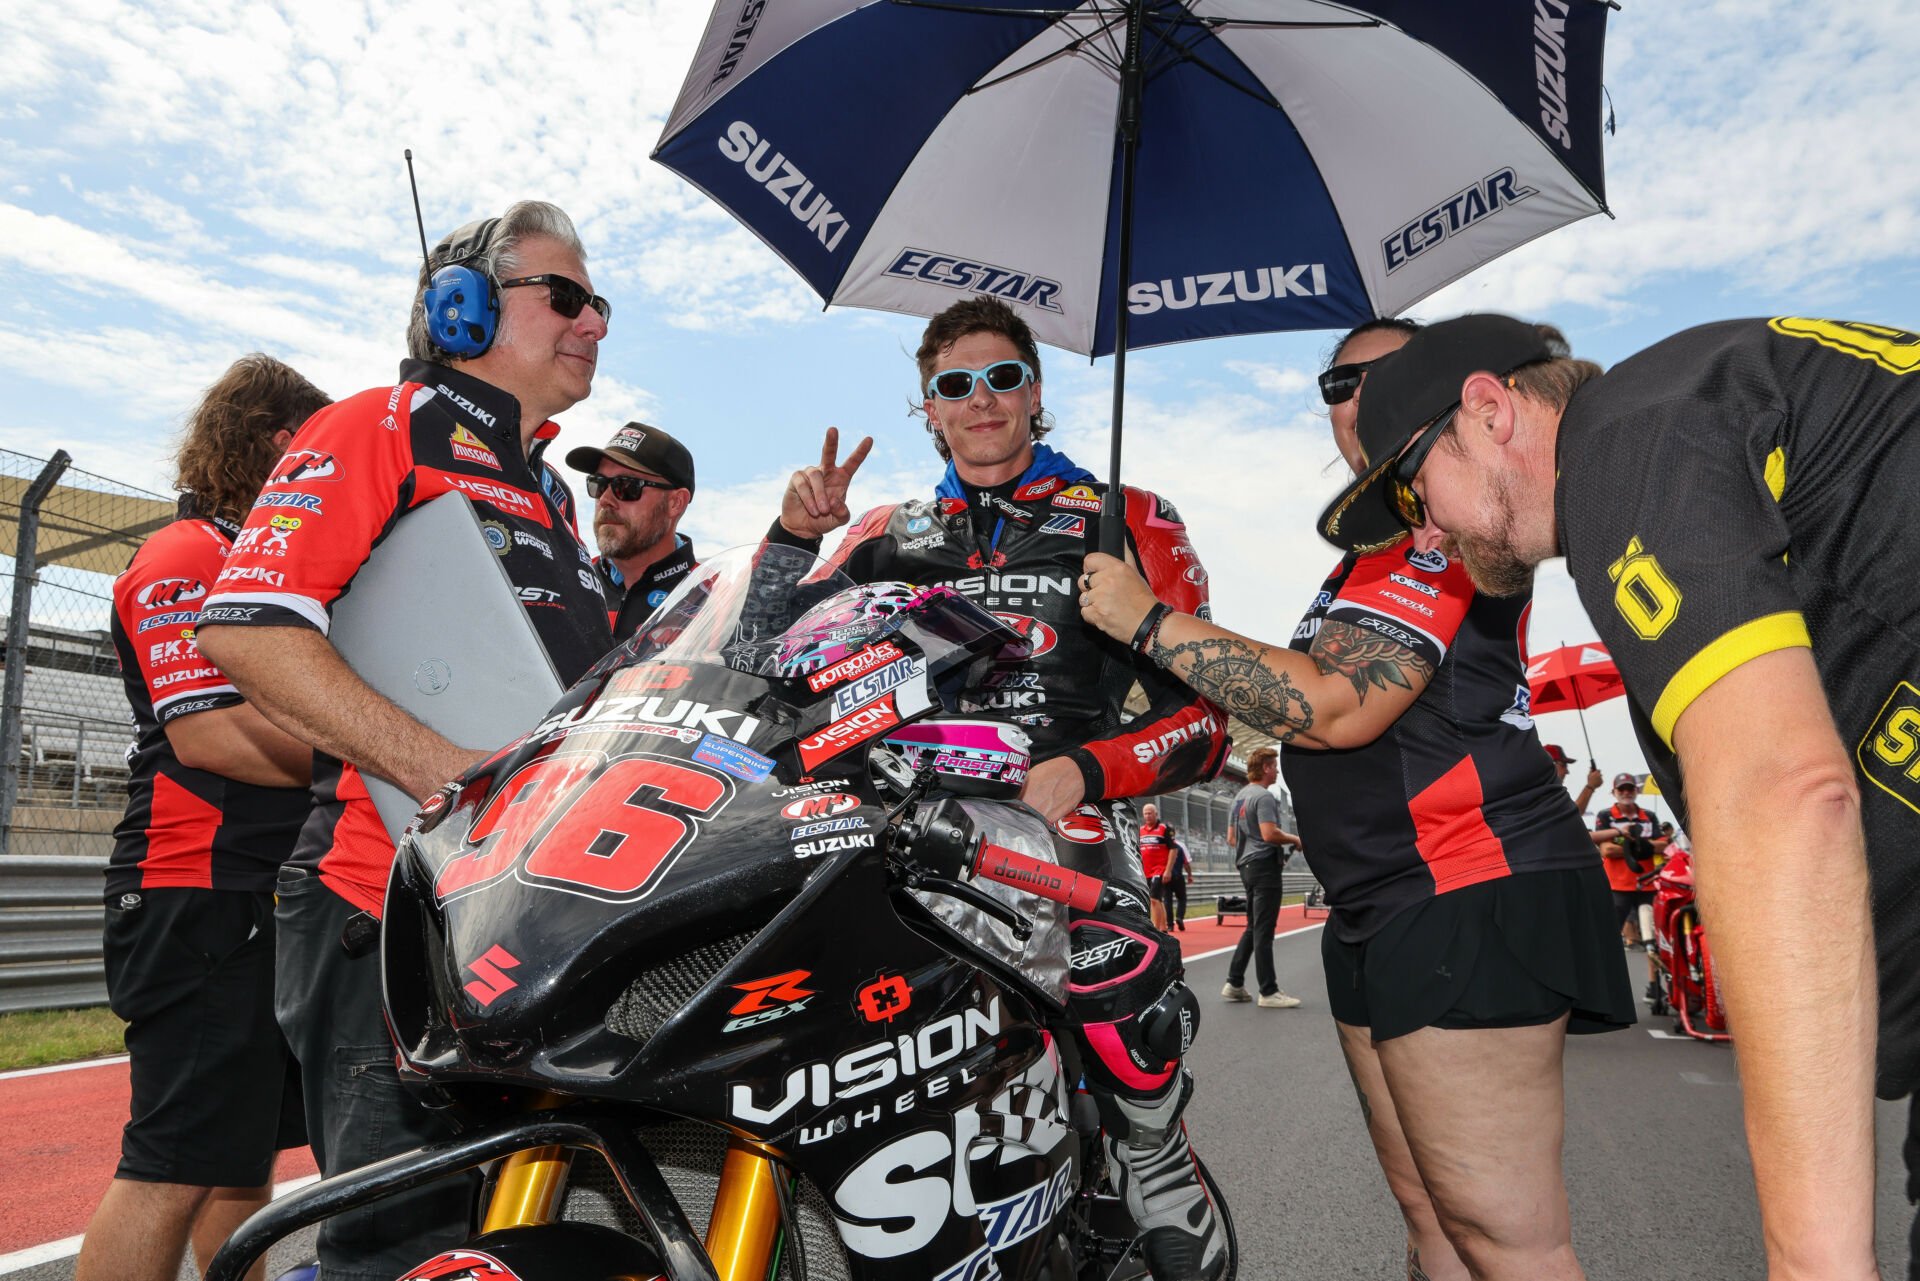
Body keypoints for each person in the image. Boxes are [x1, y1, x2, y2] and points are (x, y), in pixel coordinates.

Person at [1331, 310, 1920, 1280]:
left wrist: (1816, 1264)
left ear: (1488, 410)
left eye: (1410, 489)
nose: (1423, 530)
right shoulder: (1693, 405)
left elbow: (1781, 793)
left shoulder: (1624, 442)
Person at [1080, 316, 1634, 1281]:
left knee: (1511, 1243)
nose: (1356, 401)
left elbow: (1334, 708)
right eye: (1336, 385)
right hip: (1382, 900)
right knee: (1431, 1214)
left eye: (1380, 380)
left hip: (1467, 884)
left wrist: (1149, 620)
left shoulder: (1442, 526)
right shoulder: (1372, 548)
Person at [770, 295, 1231, 1279]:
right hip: (900, 830)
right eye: (954, 384)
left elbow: (1207, 715)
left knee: (1119, 985)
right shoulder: (882, 533)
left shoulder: (1125, 515)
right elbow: (765, 670)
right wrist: (788, 541)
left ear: (1036, 393)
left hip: (1063, 826)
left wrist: (1084, 770)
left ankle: (1151, 1151)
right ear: (927, 410)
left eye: (1002, 377)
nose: (981, 399)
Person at [195, 203, 615, 1281]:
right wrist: (446, 771)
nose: (593, 323)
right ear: (461, 308)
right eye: (565, 296)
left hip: (520, 918)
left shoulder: (555, 493)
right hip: (382, 915)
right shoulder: (380, 423)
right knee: (403, 1253)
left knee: (514, 1238)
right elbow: (245, 628)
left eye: (599, 304)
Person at [76, 356, 329, 1281]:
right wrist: (374, 753)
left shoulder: (249, 563)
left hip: (254, 892)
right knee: (173, 1164)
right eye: (317, 454)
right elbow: (213, 736)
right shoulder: (186, 556)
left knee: (234, 1164)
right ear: (278, 443)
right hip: (196, 889)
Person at [566, 421, 697, 642]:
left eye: (626, 486)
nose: (605, 499)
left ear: (675, 503)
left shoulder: (713, 595)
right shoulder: (566, 582)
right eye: (598, 484)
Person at [1221, 748, 1304, 1010]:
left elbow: (1231, 838)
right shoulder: (1264, 797)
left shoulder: (1239, 797)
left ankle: (1234, 983)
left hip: (1246, 865)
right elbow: (1269, 835)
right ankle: (1268, 991)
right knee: (1264, 930)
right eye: (1275, 766)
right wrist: (1295, 839)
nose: (1277, 771)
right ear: (1266, 768)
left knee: (1253, 926)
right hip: (1264, 866)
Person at [1593, 773, 1668, 951]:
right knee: (1609, 937)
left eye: (1630, 788)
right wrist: (1642, 847)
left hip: (1647, 884)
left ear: (1636, 790)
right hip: (1618, 886)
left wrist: (1628, 848)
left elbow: (1664, 845)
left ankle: (1654, 978)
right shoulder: (1606, 816)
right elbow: (1607, 850)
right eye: (1622, 789)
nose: (1626, 792)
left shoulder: (1648, 815)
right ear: (1614, 792)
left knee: (1655, 941)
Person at [1543, 743, 1602, 815]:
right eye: (1563, 765)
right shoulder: (1541, 792)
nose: (1567, 772)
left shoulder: (1549, 791)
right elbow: (1571, 814)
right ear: (1549, 765)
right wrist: (1590, 786)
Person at [1139, 801, 1173, 929]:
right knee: (1156, 900)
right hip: (1145, 871)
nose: (1147, 816)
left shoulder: (1164, 829)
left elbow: (1173, 849)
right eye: (1145, 814)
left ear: (1156, 814)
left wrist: (1168, 870)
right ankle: (1163, 928)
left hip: (1159, 869)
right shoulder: (1140, 830)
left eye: (1150, 813)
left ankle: (1155, 929)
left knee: (1154, 899)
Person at [1162, 825, 1193, 931]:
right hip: (1178, 876)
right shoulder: (1180, 845)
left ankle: (1170, 924)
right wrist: (1189, 875)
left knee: (1167, 901)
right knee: (1182, 898)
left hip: (1165, 876)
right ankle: (1179, 917)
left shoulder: (1161, 845)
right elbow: (1186, 863)